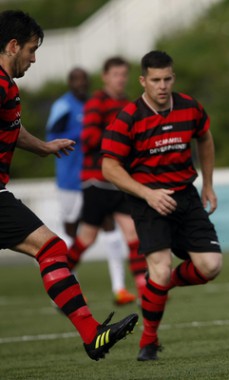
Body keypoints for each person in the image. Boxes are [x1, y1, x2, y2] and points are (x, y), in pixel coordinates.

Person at [0, 9, 137, 361]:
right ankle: (91, 334)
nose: (33, 59)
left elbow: (12, 129)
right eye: (31, 50)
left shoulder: (7, 87)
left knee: (52, 250)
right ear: (13, 46)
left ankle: (93, 334)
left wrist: (44, 147)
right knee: (53, 249)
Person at [101, 50, 223, 361]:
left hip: (185, 196)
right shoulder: (128, 117)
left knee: (211, 267)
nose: (162, 85)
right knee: (160, 268)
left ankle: (160, 287)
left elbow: (205, 138)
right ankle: (149, 341)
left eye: (167, 78)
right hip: (148, 201)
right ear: (143, 81)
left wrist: (207, 184)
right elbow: (109, 167)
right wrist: (147, 193)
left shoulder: (189, 107)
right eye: (155, 80)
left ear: (173, 78)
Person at [46, 67, 135, 305]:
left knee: (112, 230)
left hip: (99, 179)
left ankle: (120, 288)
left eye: (84, 80)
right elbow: (49, 139)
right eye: (76, 80)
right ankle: (66, 287)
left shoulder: (95, 104)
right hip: (70, 180)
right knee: (73, 232)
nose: (81, 84)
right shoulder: (62, 106)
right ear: (69, 82)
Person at [66, 57, 147, 304]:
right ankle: (60, 276)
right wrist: (118, 137)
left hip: (118, 180)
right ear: (105, 77)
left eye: (124, 74)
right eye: (116, 74)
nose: (120, 79)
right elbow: (89, 139)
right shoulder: (96, 102)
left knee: (132, 232)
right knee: (87, 238)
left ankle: (144, 289)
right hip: (96, 180)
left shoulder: (126, 104)